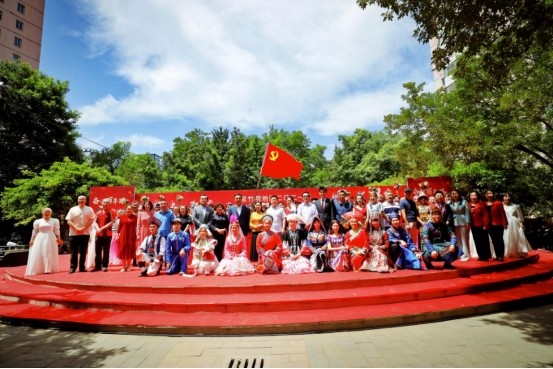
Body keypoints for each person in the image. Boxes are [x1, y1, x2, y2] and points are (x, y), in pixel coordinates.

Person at [25, 208, 62, 275]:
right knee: (39, 252)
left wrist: (58, 238)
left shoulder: (55, 220)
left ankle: (48, 269)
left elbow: (57, 230)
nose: (47, 213)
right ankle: (40, 269)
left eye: (48, 212)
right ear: (42, 213)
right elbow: (35, 231)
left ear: (51, 213)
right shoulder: (38, 221)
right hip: (40, 238)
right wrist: (32, 240)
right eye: (45, 212)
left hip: (51, 237)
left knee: (48, 252)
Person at [66, 195, 96, 273]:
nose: (81, 200)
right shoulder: (73, 209)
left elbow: (91, 220)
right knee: (73, 251)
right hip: (73, 233)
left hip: (85, 233)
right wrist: (76, 228)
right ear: (77, 200)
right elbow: (68, 220)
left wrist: (84, 228)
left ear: (85, 201)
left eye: (83, 199)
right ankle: (73, 267)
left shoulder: (89, 209)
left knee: (83, 251)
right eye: (80, 199)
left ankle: (82, 267)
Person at [502, 193, 532, 258]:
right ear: (503, 198)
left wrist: (521, 225)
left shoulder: (516, 206)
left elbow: (520, 216)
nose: (507, 198)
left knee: (515, 237)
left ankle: (516, 252)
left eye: (508, 196)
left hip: (514, 224)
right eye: (505, 196)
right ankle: (506, 252)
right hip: (504, 223)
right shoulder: (500, 205)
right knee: (506, 237)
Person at [468, 190, 492, 261]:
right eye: (471, 195)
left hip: (482, 225)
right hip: (473, 226)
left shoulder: (482, 204)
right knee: (477, 241)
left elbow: (486, 215)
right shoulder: (468, 205)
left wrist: (485, 225)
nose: (473, 197)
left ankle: (486, 256)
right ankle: (481, 255)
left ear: (477, 196)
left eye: (474, 195)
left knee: (484, 241)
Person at [485, 190, 508, 261]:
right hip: (489, 225)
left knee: (500, 240)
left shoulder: (498, 203)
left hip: (498, 224)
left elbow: (503, 214)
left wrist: (505, 223)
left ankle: (501, 255)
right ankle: (497, 255)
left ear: (493, 194)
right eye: (487, 193)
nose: (489, 195)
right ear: (485, 195)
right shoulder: (484, 204)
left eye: (490, 193)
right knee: (494, 241)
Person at [449, 189, 471, 261]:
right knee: (457, 240)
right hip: (454, 223)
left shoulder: (464, 202)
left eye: (456, 193)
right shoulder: (450, 203)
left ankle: (466, 254)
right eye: (453, 194)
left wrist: (468, 222)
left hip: (463, 221)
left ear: (459, 194)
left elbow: (467, 213)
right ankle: (460, 254)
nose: (454, 195)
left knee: (464, 239)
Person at [94, 199, 114, 272]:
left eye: (107, 203)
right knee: (97, 251)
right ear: (102, 203)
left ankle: (104, 266)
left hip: (107, 235)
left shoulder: (111, 213)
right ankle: (97, 266)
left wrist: (101, 229)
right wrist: (97, 229)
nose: (106, 204)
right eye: (104, 202)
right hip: (98, 234)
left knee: (106, 251)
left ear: (109, 204)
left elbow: (111, 222)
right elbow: (95, 222)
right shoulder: (98, 213)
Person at [117, 204, 138, 272]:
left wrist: (138, 235)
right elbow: (119, 227)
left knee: (130, 250)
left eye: (130, 209)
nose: (129, 210)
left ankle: (128, 266)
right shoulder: (122, 217)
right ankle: (123, 266)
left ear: (132, 210)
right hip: (123, 235)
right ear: (126, 210)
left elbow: (137, 226)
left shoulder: (135, 217)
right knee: (123, 250)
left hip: (131, 235)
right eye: (128, 209)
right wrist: (118, 235)